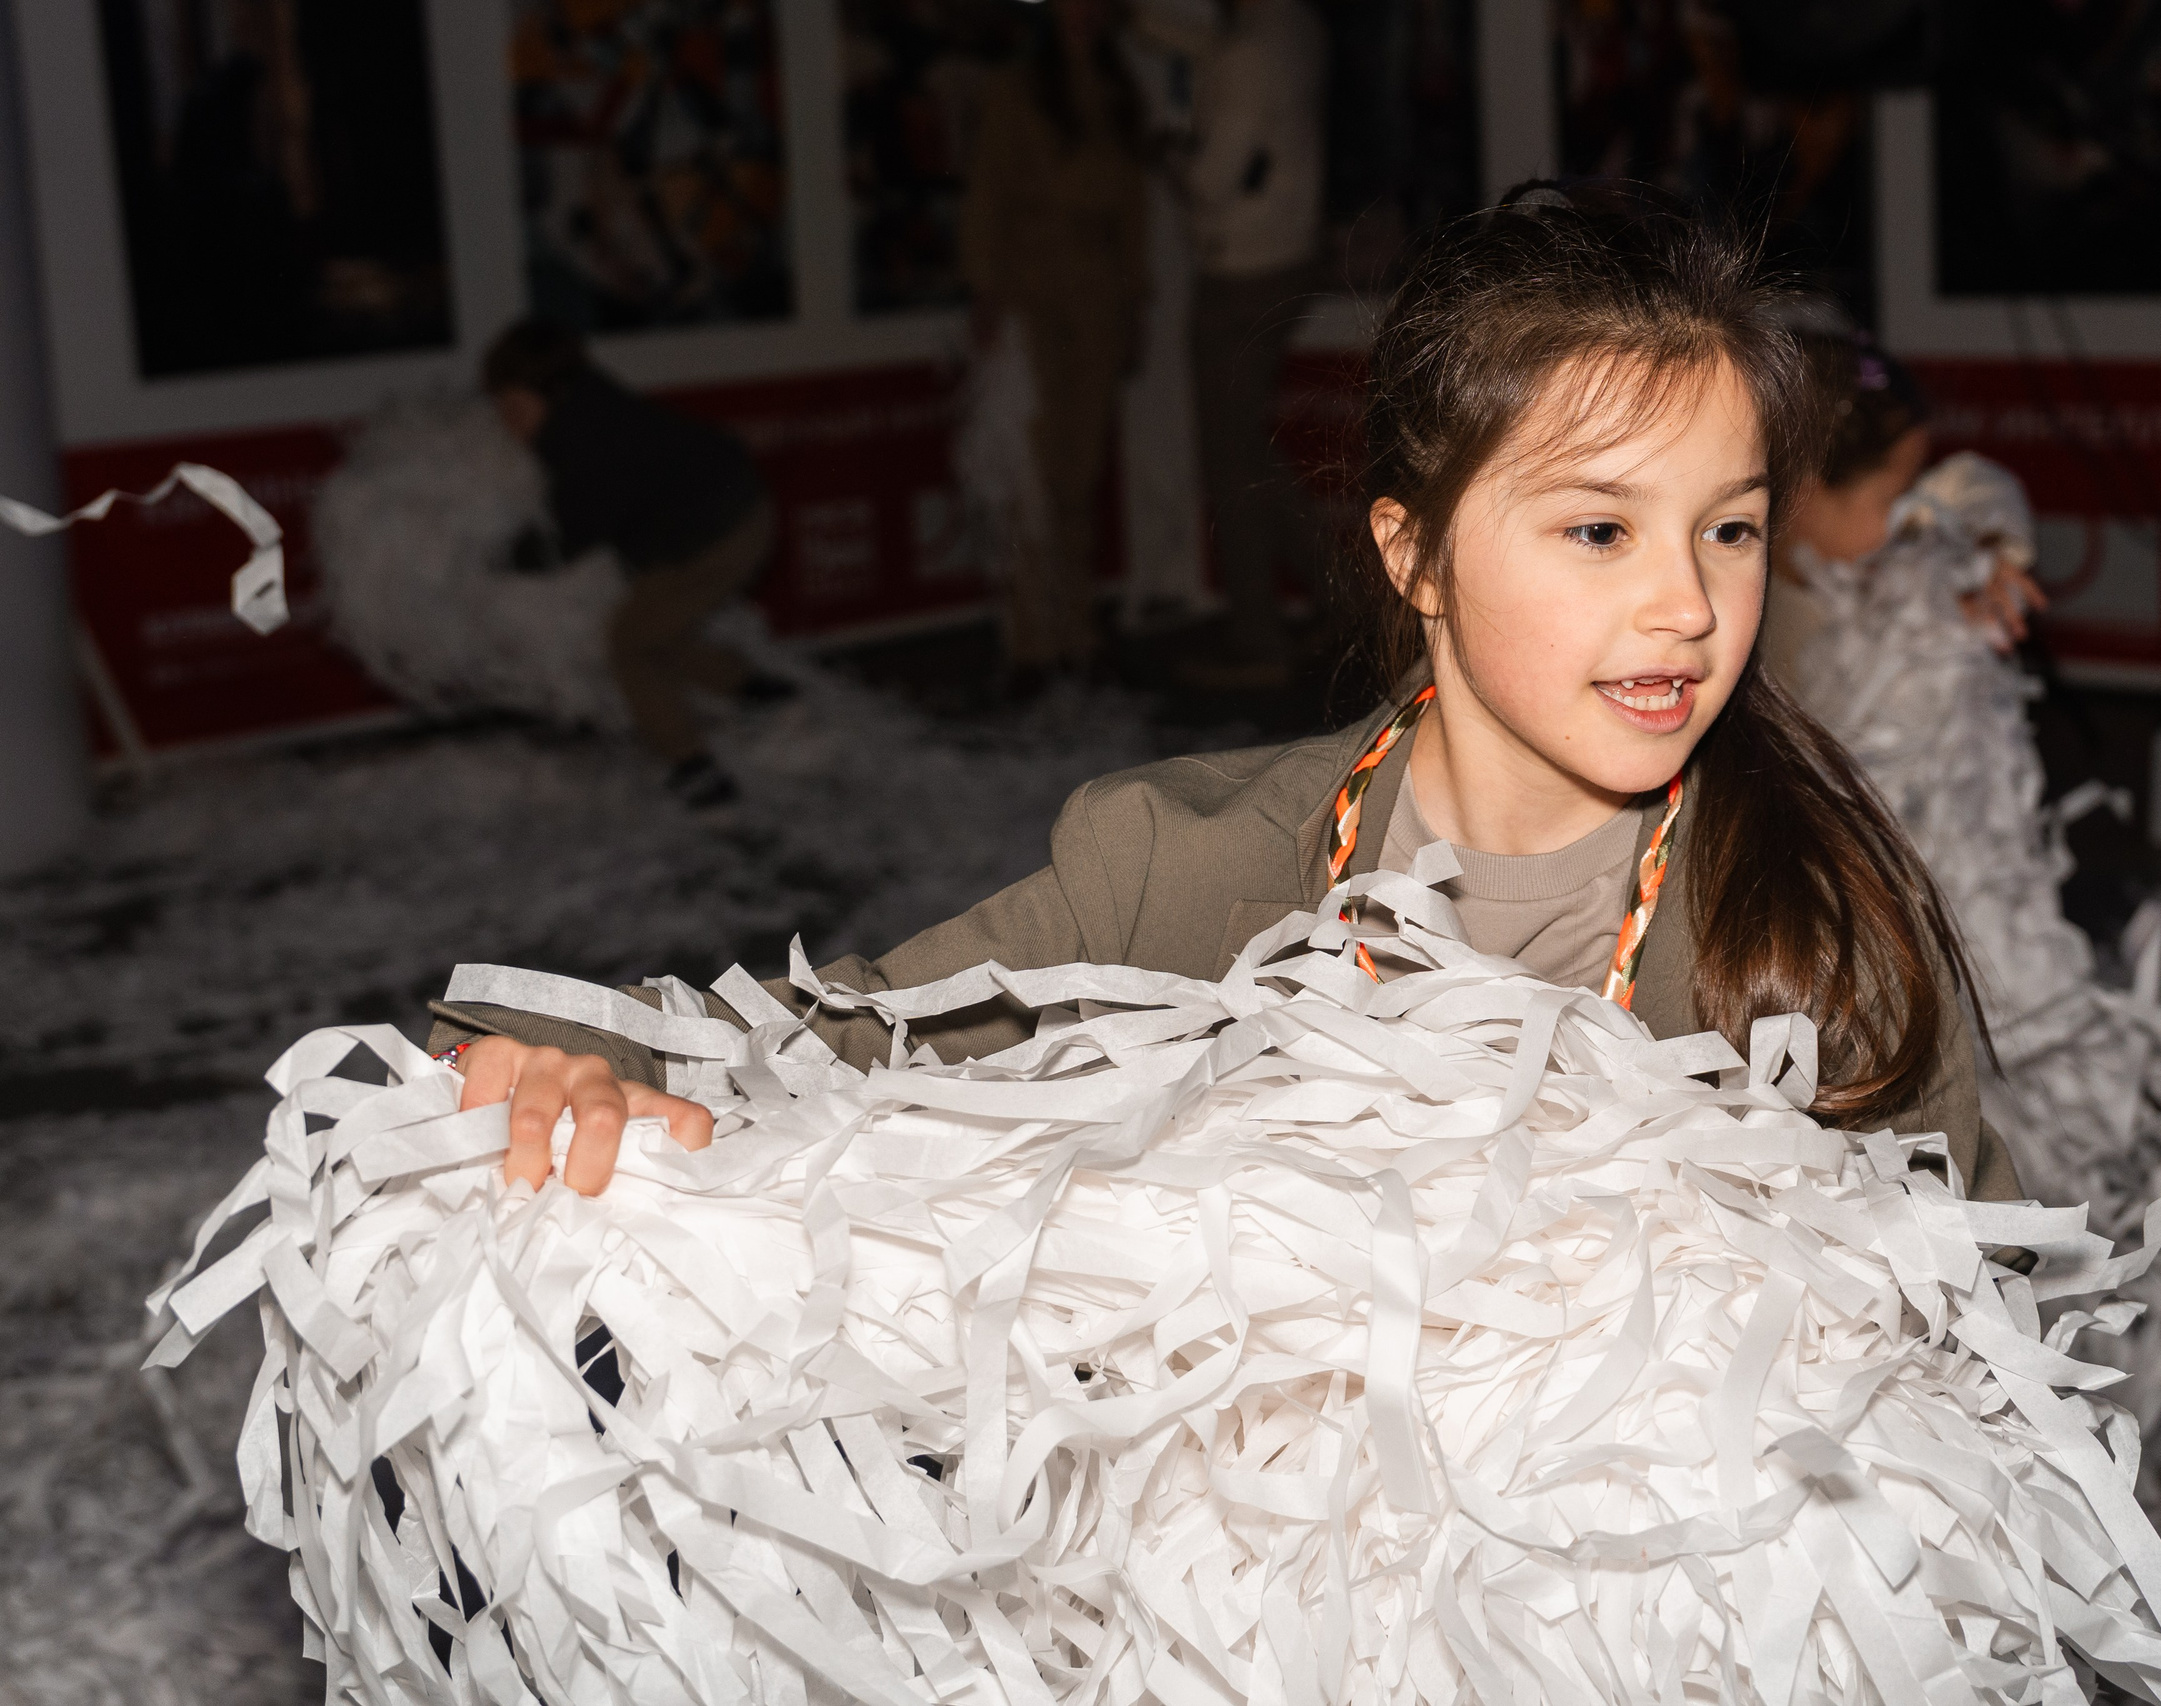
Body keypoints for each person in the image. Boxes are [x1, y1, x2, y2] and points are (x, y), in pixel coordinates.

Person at [433, 183, 2021, 1209]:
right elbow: (821, 1038)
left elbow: (1980, 1347)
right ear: (1416, 552)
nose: (1688, 601)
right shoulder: (1179, 871)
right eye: (1599, 529)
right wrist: (541, 1043)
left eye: (1729, 528)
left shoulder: (1810, 926)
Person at [481, 319, 785, 809]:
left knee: (631, 646)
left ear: (551, 393)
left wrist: (497, 560)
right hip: (736, 506)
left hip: (719, 533)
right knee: (657, 627)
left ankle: (696, 772)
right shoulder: (587, 399)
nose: (507, 424)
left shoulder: (586, 446)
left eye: (515, 409)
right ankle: (761, 693)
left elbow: (562, 540)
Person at [957, 0, 1151, 685]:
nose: (1083, 13)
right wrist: (985, 292)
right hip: (1029, 295)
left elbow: (1133, 210)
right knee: (1028, 476)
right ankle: (1031, 644)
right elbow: (986, 192)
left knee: (1079, 472)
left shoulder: (1120, 91)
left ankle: (1079, 631)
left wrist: (1135, 303)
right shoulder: (1016, 89)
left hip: (1096, 299)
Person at [1137, 0, 1329, 687]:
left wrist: (1167, 155)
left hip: (1243, 272)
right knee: (1247, 448)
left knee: (1232, 462)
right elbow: (1219, 51)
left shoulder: (1249, 51)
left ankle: (1260, 638)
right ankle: (1346, 607)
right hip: (1284, 257)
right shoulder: (1294, 26)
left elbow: (1212, 180)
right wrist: (1144, 25)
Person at [1760, 322, 2044, 694]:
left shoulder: (1894, 580)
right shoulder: (1743, 621)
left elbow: (1973, 480)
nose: (1913, 512)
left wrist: (1991, 546)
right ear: (1801, 492)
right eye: (1899, 494)